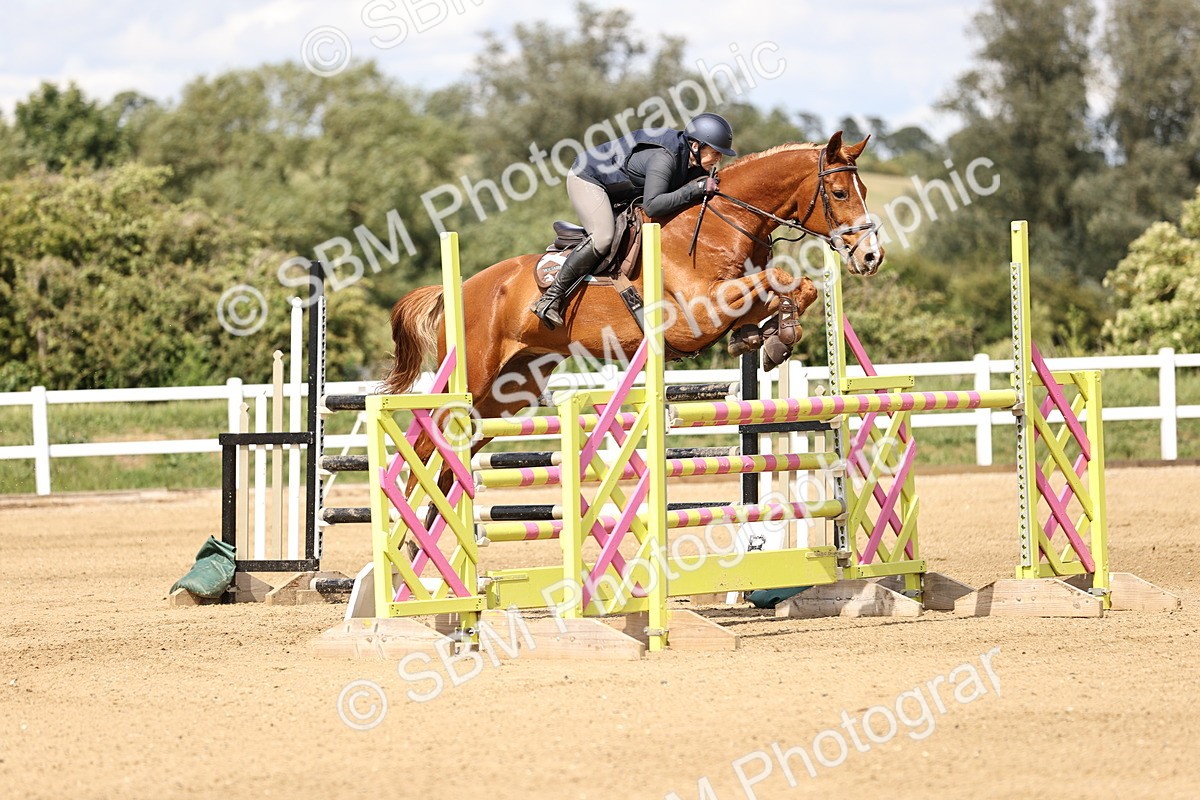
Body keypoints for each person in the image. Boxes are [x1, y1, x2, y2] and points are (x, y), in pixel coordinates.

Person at [532, 112, 737, 329]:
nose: (718, 159)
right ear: (696, 146)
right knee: (603, 237)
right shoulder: (665, 157)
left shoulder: (693, 164)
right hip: (589, 178)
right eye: (715, 152)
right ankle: (550, 298)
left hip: (622, 190)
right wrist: (696, 188)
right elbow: (654, 205)